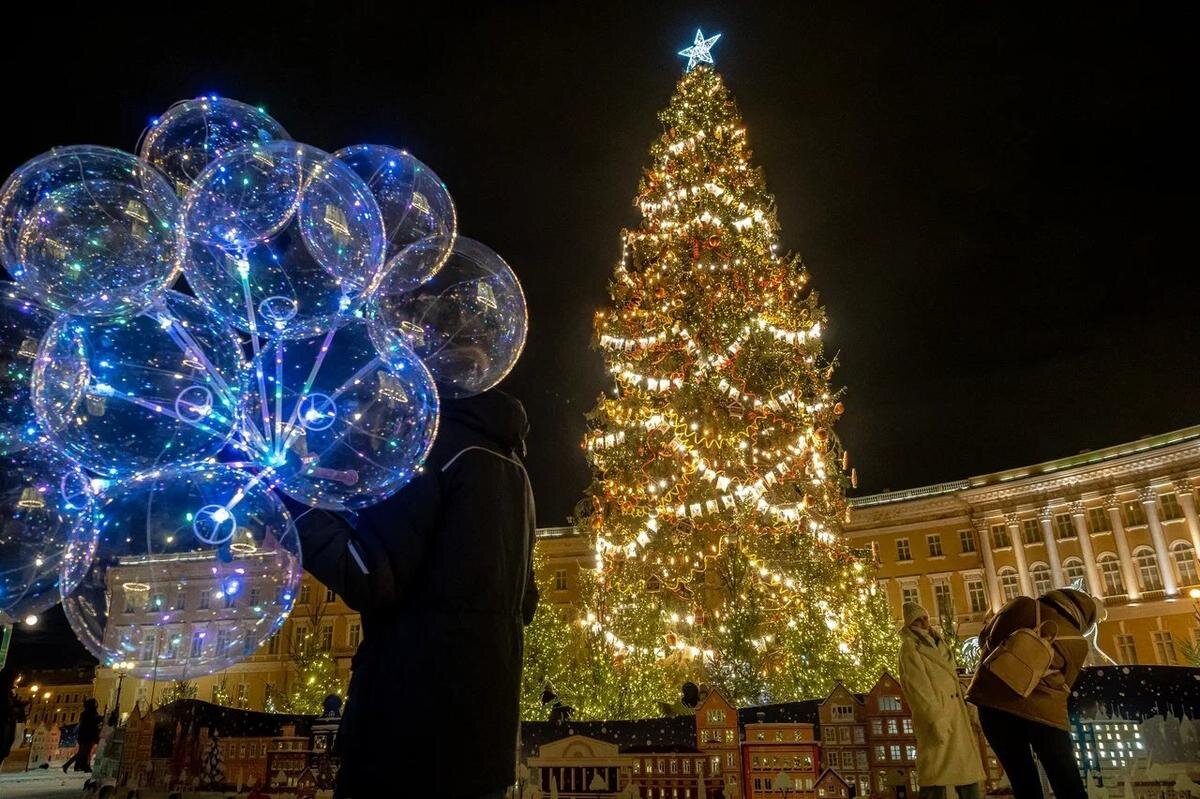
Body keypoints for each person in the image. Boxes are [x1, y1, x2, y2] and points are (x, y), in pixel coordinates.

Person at [296, 389, 537, 799]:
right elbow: (525, 602)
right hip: (484, 739)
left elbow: (370, 575)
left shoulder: (430, 451)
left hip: (404, 734)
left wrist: (298, 509)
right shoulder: (513, 467)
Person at [966, 588, 1101, 799]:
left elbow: (985, 638)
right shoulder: (1077, 642)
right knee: (1066, 781)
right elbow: (1068, 683)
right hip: (1043, 716)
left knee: (1022, 781)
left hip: (993, 705)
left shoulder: (1020, 605)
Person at [896, 602, 985, 799]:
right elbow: (918, 689)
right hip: (938, 719)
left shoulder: (939, 642)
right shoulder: (910, 649)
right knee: (936, 777)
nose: (923, 622)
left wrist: (968, 706)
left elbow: (953, 677)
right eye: (918, 619)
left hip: (956, 718)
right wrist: (935, 718)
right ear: (910, 624)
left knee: (965, 774)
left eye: (925, 618)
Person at [63, 697, 102, 772]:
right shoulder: (90, 713)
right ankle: (68, 765)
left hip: (85, 736)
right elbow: (94, 721)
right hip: (88, 736)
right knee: (83, 752)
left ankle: (83, 766)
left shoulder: (86, 713)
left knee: (85, 752)